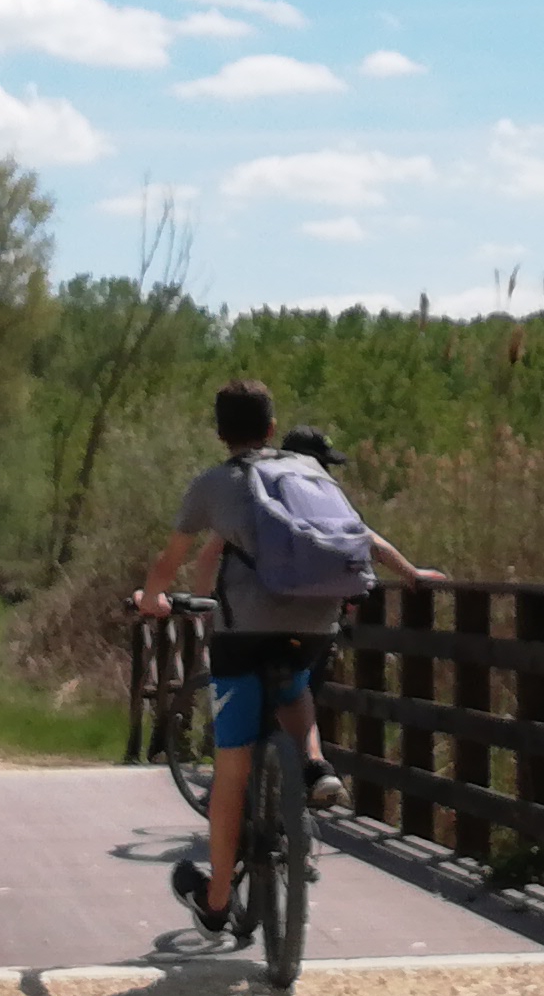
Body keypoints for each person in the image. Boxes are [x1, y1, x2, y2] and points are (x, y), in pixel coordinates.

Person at [130, 380, 443, 947]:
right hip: (316, 622)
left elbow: (171, 558)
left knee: (231, 769)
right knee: (296, 681)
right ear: (273, 428)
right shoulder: (310, 473)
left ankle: (218, 901)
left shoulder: (213, 484)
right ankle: (316, 766)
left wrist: (152, 599)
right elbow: (361, 535)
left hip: (243, 633)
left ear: (220, 431)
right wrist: (413, 573)